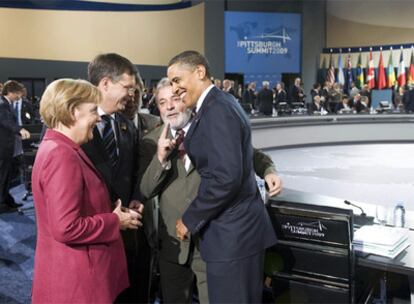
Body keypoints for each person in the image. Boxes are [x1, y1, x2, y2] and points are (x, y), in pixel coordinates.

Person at [139, 78, 282, 304]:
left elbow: (249, 153)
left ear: (186, 100)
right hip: (173, 248)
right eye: (162, 102)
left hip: (212, 241)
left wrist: (268, 170)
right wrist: (160, 159)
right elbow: (145, 190)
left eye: (175, 99)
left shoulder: (210, 128)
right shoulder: (150, 142)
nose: (169, 107)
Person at [31, 78, 141, 303]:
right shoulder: (62, 155)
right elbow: (66, 228)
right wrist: (114, 221)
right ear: (73, 112)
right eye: (93, 111)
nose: (98, 118)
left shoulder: (59, 147)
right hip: (77, 280)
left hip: (73, 273)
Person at [81, 53, 149, 303]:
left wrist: (135, 197)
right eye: (127, 87)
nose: (132, 95)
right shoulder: (69, 122)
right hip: (87, 239)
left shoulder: (125, 124)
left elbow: (131, 171)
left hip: (122, 237)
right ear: (105, 83)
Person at [0, 80, 30, 212]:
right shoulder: (2, 104)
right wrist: (20, 130)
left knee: (6, 176)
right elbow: (6, 121)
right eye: (18, 94)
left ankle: (7, 200)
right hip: (3, 147)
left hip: (8, 146)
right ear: (11, 92)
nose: (20, 97)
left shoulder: (6, 103)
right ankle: (2, 204)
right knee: (3, 176)